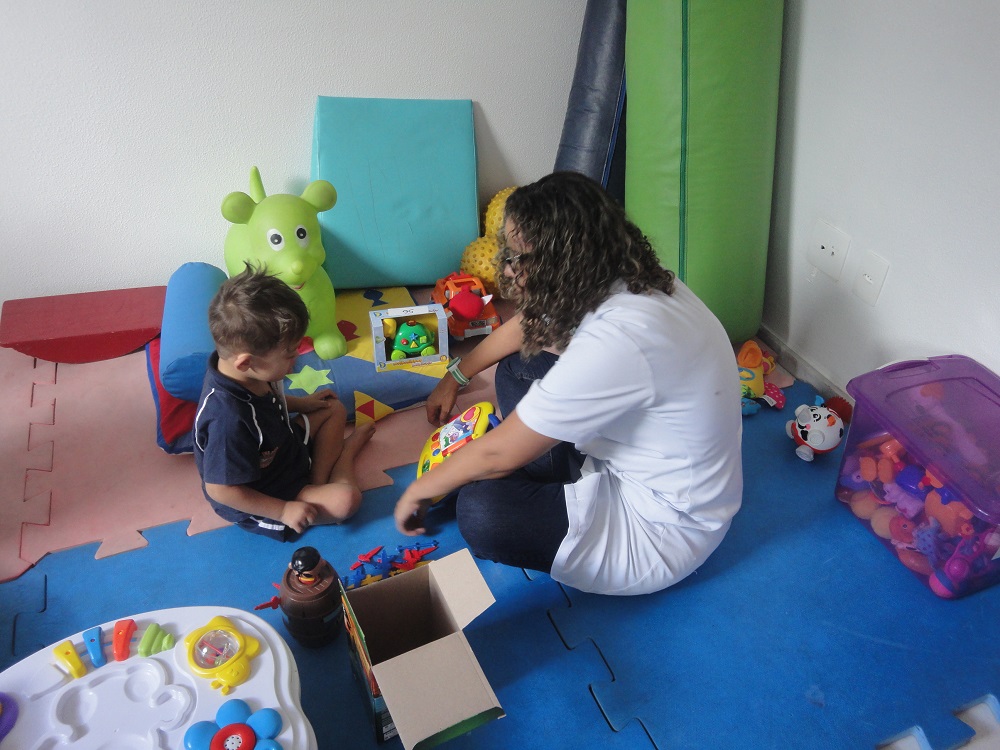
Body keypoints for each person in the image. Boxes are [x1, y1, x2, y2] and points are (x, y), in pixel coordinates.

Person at [394, 171, 742, 595]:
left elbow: (500, 454)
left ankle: (547, 472)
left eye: (517, 258)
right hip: (660, 461)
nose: (507, 267)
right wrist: (456, 376)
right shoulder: (627, 275)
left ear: (559, 263)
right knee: (517, 367)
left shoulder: (621, 339)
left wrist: (421, 489)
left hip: (660, 530)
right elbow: (527, 324)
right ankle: (549, 466)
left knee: (481, 511)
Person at [194, 265, 374, 540]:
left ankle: (316, 481)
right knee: (346, 500)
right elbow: (221, 490)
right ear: (246, 362)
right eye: (290, 355)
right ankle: (345, 456)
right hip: (267, 492)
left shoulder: (246, 369)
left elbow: (270, 399)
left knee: (333, 409)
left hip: (283, 447)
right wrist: (282, 510)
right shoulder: (227, 420)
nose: (297, 360)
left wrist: (302, 404)